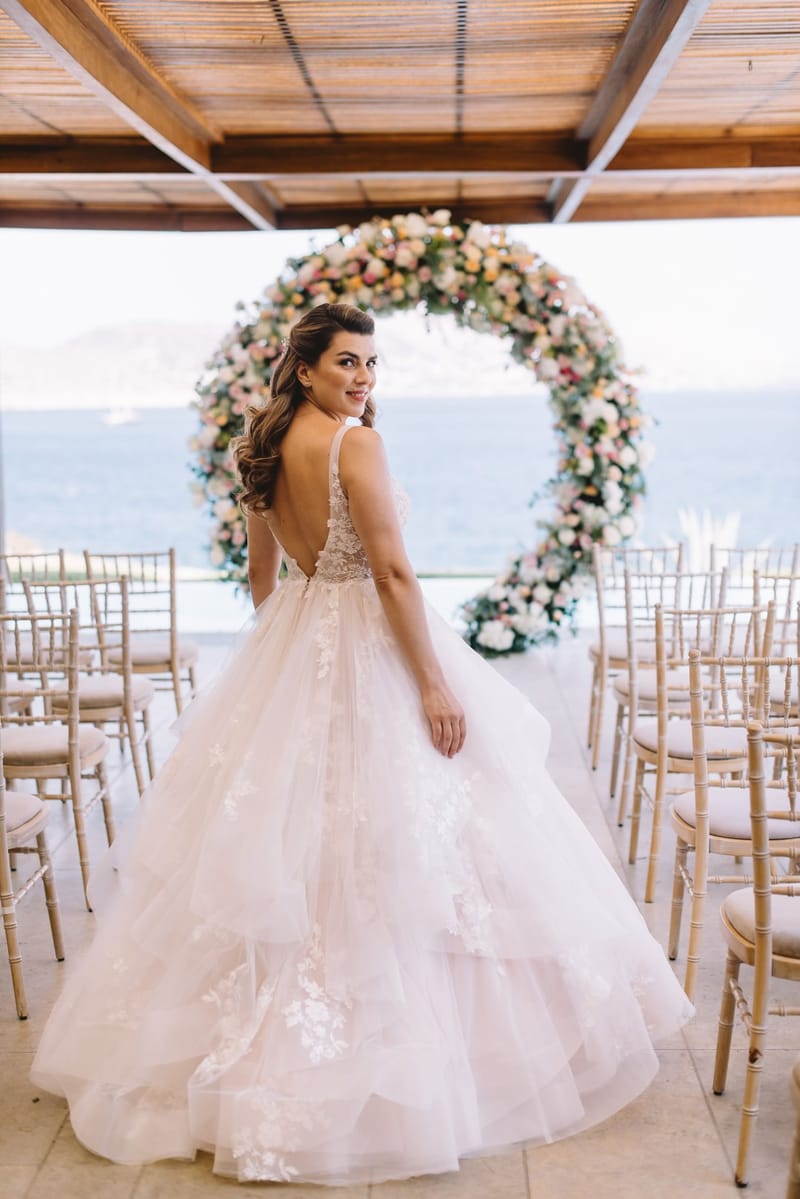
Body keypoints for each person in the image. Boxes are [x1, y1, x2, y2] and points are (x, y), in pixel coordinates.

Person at [31, 302, 692, 1186]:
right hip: (374, 642)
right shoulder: (355, 446)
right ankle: (409, 1045)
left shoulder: (260, 450)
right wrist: (430, 681)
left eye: (372, 364)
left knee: (302, 837)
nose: (363, 380)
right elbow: (392, 572)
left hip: (299, 634)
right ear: (306, 367)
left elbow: (263, 577)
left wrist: (283, 661)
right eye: (348, 362)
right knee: (422, 833)